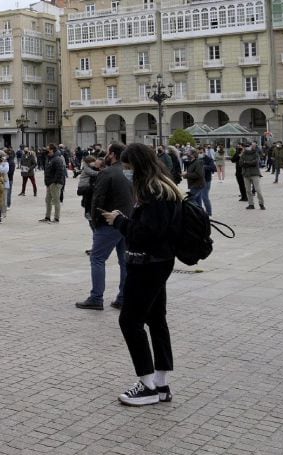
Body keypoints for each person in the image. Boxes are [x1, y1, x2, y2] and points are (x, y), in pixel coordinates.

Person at [100, 142, 181, 407]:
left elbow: (145, 234)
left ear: (138, 166)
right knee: (156, 319)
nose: (126, 172)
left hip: (148, 263)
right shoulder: (164, 185)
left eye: (127, 167)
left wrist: (120, 221)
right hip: (160, 260)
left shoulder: (153, 192)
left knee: (130, 321)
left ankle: (146, 384)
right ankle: (161, 382)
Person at [77, 143, 131, 311]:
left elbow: (98, 198)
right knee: (125, 261)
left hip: (109, 221)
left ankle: (96, 297)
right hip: (128, 221)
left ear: (113, 154)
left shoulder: (107, 172)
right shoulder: (130, 172)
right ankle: (123, 297)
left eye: (108, 152)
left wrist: (95, 220)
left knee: (97, 258)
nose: (106, 155)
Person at [40, 147, 66, 223]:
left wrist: (54, 181)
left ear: (52, 150)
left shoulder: (57, 159)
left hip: (55, 183)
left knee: (56, 200)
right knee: (48, 200)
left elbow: (60, 171)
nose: (47, 152)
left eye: (48, 150)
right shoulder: (50, 158)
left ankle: (56, 218)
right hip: (49, 183)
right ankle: (47, 217)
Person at [239, 144, 265, 210]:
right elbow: (241, 163)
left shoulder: (255, 154)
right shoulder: (243, 154)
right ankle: (251, 204)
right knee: (248, 190)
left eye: (248, 146)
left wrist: (246, 162)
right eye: (246, 146)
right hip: (246, 174)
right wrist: (249, 163)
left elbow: (255, 163)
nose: (247, 147)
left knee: (257, 189)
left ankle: (261, 203)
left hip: (255, 173)